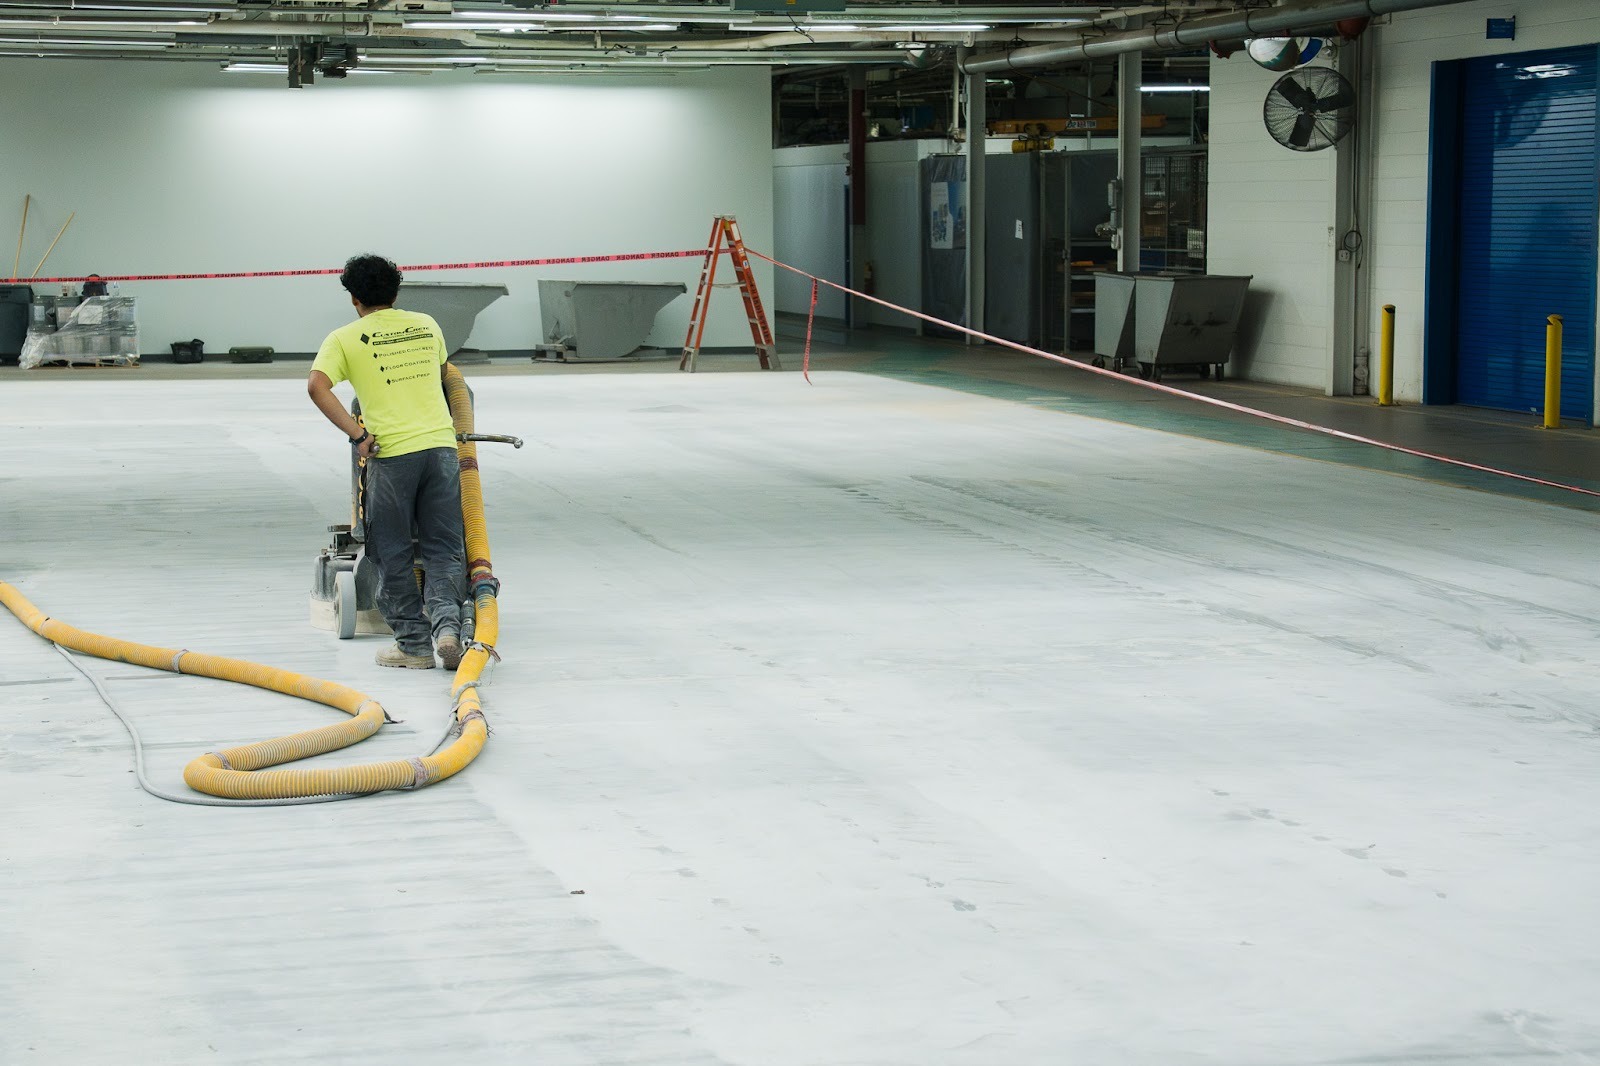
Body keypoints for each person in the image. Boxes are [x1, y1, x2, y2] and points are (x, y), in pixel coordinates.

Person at [307, 254, 465, 670]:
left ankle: (413, 645)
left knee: (391, 551)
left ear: (354, 298)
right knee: (444, 547)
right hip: (442, 450)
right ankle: (448, 629)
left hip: (392, 456)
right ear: (397, 292)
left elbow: (317, 386)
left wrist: (358, 435)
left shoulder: (343, 338)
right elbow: (441, 372)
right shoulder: (427, 325)